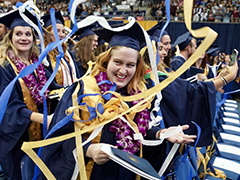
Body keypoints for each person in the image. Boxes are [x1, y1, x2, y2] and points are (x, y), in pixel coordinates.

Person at [36, 22, 196, 179]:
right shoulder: (83, 91)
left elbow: (138, 131)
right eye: (118, 62)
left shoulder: (138, 94)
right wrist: (88, 149)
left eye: (130, 65)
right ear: (106, 60)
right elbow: (58, 138)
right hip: (90, 172)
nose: (123, 71)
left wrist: (160, 133)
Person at [0, 9, 52, 179]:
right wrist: (43, 119)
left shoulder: (38, 63)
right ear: (10, 37)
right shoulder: (4, 66)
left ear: (34, 38)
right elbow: (9, 105)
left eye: (28, 34)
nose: (24, 38)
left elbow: (48, 87)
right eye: (18, 34)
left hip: (40, 133)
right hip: (16, 137)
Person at [41, 11, 84, 89]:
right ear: (47, 34)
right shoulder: (44, 57)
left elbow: (78, 76)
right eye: (57, 31)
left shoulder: (69, 55)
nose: (61, 34)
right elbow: (50, 84)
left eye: (63, 31)